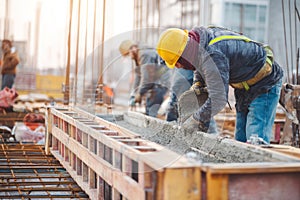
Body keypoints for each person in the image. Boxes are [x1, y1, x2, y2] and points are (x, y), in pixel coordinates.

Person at [156, 26, 283, 144]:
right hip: (244, 87)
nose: (179, 66)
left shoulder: (214, 54)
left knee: (255, 140)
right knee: (240, 139)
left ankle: (258, 168)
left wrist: (195, 119)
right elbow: (200, 64)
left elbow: (219, 99)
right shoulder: (198, 44)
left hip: (264, 84)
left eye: (178, 62)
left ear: (185, 54)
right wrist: (198, 84)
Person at [119, 40, 171, 117]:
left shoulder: (144, 55)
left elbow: (147, 78)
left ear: (132, 49)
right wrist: (134, 93)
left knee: (151, 107)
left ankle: (151, 125)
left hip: (161, 83)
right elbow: (138, 75)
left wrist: (140, 93)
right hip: (158, 82)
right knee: (149, 106)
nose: (129, 57)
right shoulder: (139, 55)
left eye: (128, 54)